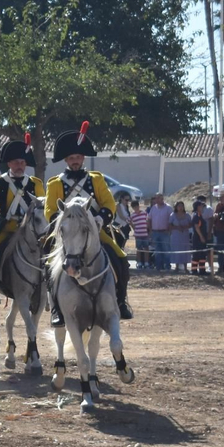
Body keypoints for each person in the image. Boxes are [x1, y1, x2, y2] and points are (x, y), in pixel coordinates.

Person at [44, 127, 133, 321]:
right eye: (71, 158)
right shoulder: (55, 184)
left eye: (78, 156)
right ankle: (56, 309)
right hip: (67, 234)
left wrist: (100, 219)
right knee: (50, 263)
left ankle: (121, 301)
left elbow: (109, 203)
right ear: (66, 160)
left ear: (82, 158)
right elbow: (50, 210)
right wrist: (62, 225)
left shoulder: (96, 180)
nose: (75, 160)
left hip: (94, 231)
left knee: (120, 258)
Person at [0, 138, 43, 293]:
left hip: (29, 232)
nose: (20, 166)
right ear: (9, 164)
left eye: (22, 162)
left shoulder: (35, 183)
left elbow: (42, 206)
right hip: (4, 230)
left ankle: (46, 288)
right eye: (16, 162)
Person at [146, 193, 172, 271]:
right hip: (155, 232)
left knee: (166, 250)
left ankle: (167, 266)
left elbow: (171, 220)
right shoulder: (153, 208)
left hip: (165, 232)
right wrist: (150, 230)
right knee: (157, 250)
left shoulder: (168, 208)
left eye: (158, 198)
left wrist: (169, 230)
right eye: (156, 198)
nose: (156, 200)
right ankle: (158, 267)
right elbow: (149, 219)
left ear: (162, 199)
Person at [169, 199, 193, 275]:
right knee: (176, 249)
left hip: (184, 235)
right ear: (176, 207)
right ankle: (176, 267)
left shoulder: (187, 215)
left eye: (182, 206)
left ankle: (185, 267)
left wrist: (185, 227)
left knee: (185, 249)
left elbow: (191, 224)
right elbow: (170, 225)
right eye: (179, 206)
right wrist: (177, 227)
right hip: (176, 235)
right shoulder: (173, 215)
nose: (180, 208)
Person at [129, 199, 150, 269]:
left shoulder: (144, 213)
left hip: (145, 234)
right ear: (133, 208)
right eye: (134, 207)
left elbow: (148, 220)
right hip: (138, 234)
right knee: (139, 249)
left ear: (139, 206)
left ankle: (146, 262)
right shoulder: (133, 215)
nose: (136, 208)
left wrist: (147, 227)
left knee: (146, 248)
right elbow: (130, 222)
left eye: (137, 206)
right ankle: (139, 262)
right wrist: (134, 228)